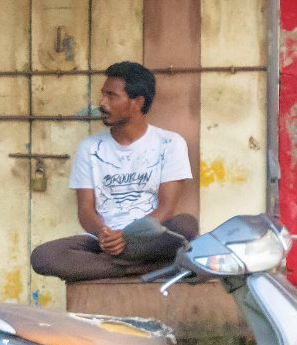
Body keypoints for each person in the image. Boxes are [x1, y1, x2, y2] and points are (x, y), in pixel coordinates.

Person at [31, 62, 198, 283]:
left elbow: (167, 208)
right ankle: (145, 267)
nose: (102, 103)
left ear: (138, 102)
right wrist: (103, 234)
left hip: (147, 238)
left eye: (111, 96)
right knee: (43, 257)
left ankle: (111, 266)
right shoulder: (90, 148)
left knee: (186, 225)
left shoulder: (170, 143)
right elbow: (85, 210)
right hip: (104, 242)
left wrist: (128, 236)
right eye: (103, 95)